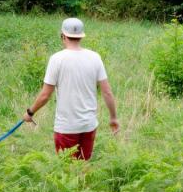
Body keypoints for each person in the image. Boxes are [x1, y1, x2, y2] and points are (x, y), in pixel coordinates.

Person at [23, 18, 118, 160]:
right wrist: (113, 118)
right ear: (81, 36)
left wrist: (30, 113)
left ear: (63, 36)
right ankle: (84, 183)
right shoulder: (95, 57)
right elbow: (107, 92)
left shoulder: (56, 59)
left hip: (66, 127)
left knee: (67, 171)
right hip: (89, 125)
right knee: (83, 165)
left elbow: (45, 95)